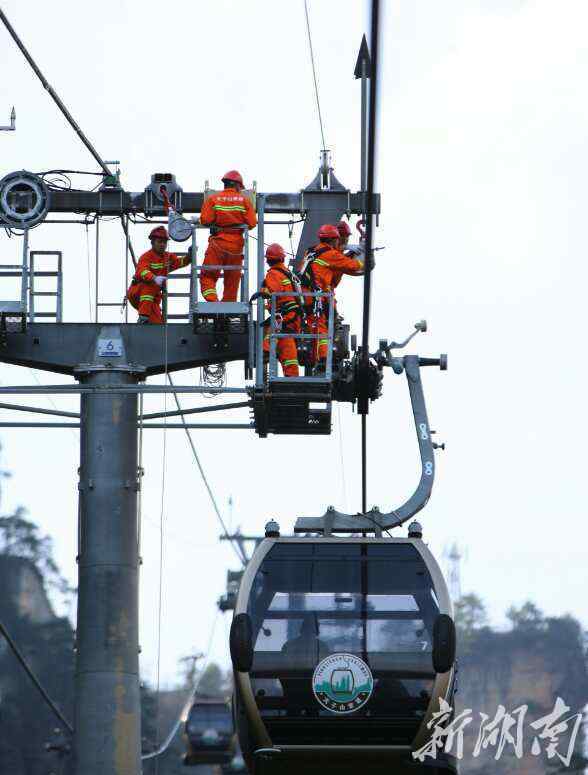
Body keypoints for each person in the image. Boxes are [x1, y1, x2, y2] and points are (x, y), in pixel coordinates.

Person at [301, 223, 364, 373]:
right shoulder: (331, 254)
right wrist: (365, 257)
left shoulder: (311, 251)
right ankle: (323, 360)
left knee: (315, 328)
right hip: (317, 297)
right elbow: (354, 266)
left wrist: (347, 253)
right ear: (335, 240)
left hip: (306, 296)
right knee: (321, 330)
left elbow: (332, 273)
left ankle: (317, 358)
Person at [199, 170, 257, 302]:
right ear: (237, 185)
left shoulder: (213, 199)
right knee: (232, 280)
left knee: (207, 275)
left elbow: (205, 220)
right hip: (236, 247)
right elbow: (252, 223)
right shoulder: (245, 201)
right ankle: (228, 309)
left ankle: (213, 301)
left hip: (217, 244)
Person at [127, 226, 191, 324]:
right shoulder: (146, 257)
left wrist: (190, 256)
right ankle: (143, 317)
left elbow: (179, 262)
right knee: (150, 285)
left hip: (152, 298)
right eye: (159, 242)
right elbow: (142, 271)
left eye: (164, 242)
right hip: (137, 292)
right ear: (152, 243)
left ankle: (146, 321)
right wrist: (154, 278)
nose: (162, 244)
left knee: (157, 324)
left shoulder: (168, 257)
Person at [261, 243, 302, 377]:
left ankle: (264, 352)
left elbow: (274, 290)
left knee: (273, 334)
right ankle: (292, 379)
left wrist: (263, 291)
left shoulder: (273, 274)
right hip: (293, 318)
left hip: (284, 316)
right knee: (289, 353)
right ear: (282, 259)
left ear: (268, 260)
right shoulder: (289, 273)